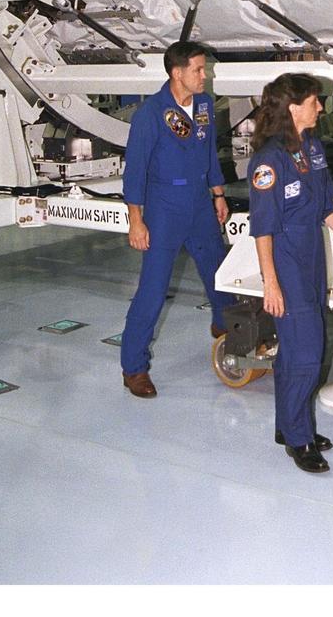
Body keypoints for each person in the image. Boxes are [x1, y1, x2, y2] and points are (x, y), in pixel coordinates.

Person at [248, 73, 333, 474]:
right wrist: (271, 281)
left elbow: (324, 206)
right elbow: (262, 228)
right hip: (285, 257)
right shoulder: (268, 160)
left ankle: (289, 424)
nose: (321, 106)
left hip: (312, 255)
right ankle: (299, 439)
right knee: (306, 353)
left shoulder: (312, 147)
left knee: (299, 349)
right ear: (293, 107)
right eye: (314, 101)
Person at [120, 41, 231, 398]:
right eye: (199, 69)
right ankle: (134, 367)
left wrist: (218, 193)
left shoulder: (204, 106)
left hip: (199, 202)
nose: (205, 75)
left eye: (205, 69)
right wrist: (136, 220)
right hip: (164, 207)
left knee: (219, 273)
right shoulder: (150, 114)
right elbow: (134, 171)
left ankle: (226, 327)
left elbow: (209, 151)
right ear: (176, 72)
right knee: (153, 290)